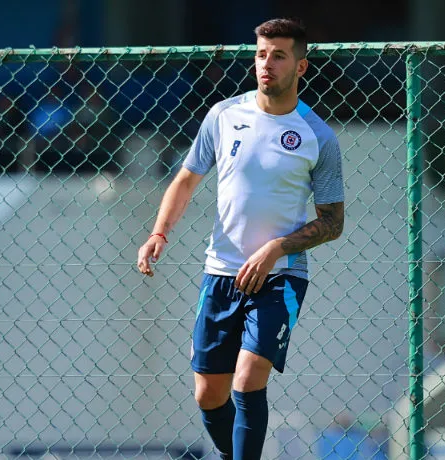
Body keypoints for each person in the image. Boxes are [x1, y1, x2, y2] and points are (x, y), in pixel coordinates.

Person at [137, 18, 345, 460]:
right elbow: (186, 180)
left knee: (248, 380)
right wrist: (159, 232)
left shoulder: (318, 136)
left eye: (279, 55)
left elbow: (332, 222)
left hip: (280, 275)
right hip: (221, 273)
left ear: (301, 67)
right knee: (208, 394)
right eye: (261, 54)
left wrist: (275, 249)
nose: (266, 64)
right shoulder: (224, 115)